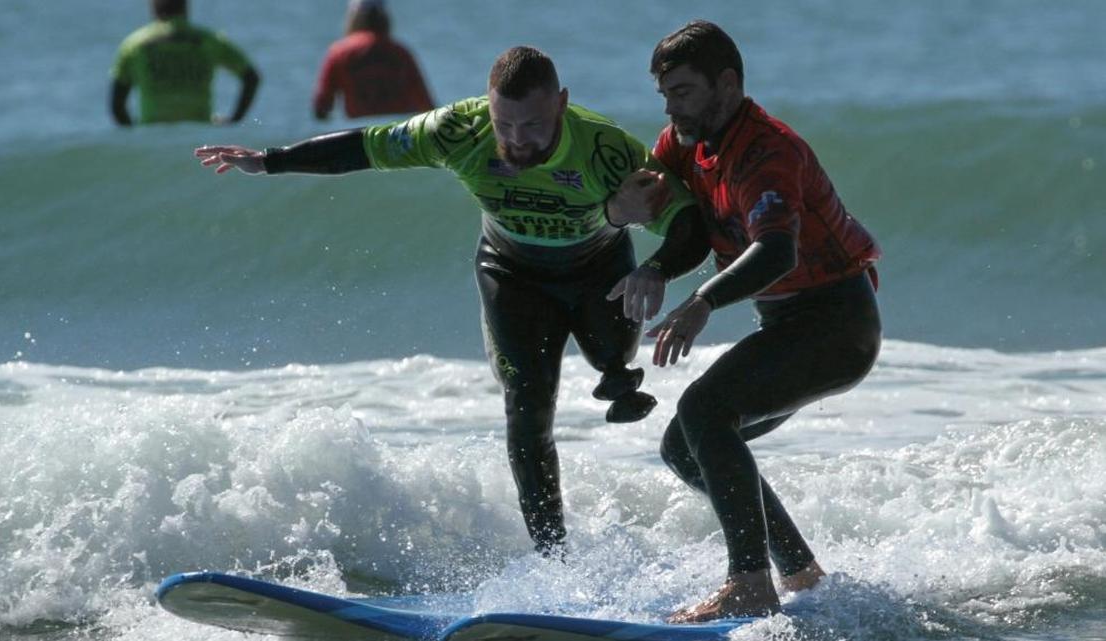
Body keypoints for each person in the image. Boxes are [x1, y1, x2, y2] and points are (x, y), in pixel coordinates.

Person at [194, 46, 705, 556]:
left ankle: (614, 374)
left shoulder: (606, 150)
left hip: (598, 271)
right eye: (505, 124)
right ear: (488, 106)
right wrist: (271, 161)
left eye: (532, 125)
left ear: (562, 104)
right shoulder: (459, 130)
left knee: (612, 358)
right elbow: (366, 148)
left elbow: (689, 224)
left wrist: (656, 267)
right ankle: (554, 557)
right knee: (526, 407)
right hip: (512, 271)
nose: (517, 140)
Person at [609, 20, 883, 621]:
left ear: (726, 85)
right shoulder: (684, 143)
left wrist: (702, 301)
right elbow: (685, 228)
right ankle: (801, 573)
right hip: (787, 324)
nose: (670, 107)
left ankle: (749, 582)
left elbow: (776, 250)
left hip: (837, 326)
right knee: (687, 446)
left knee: (706, 412)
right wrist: (649, 257)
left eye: (682, 91)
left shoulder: (768, 152)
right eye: (664, 95)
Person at [110, 0, 259, 126]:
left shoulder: (134, 44)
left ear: (153, 6)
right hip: (200, 132)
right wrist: (234, 120)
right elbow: (251, 77)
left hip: (153, 135)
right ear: (185, 7)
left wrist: (134, 132)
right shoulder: (209, 40)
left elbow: (117, 107)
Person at [313, 0, 434, 120]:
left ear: (353, 17)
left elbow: (322, 107)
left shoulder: (338, 52)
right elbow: (426, 103)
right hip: (398, 127)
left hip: (357, 130)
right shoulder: (400, 52)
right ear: (384, 18)